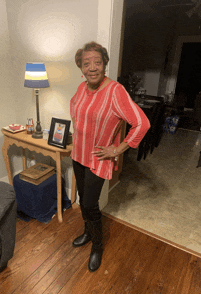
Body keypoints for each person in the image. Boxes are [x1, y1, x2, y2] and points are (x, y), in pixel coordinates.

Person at [70, 41, 150, 272]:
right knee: (82, 199)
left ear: (104, 64)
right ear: (81, 68)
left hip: (98, 159)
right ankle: (87, 232)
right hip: (78, 155)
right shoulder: (81, 88)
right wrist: (79, 134)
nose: (92, 67)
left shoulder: (116, 91)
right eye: (86, 63)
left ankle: (97, 246)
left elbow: (141, 123)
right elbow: (75, 107)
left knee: (89, 204)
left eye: (97, 62)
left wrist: (116, 149)